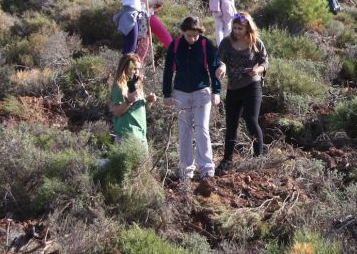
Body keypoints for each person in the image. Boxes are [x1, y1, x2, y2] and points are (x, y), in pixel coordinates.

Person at [163, 17, 220, 184]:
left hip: (202, 92)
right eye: (189, 35)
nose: (193, 39)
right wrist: (167, 93)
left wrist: (216, 91)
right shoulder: (175, 45)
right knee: (184, 131)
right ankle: (186, 170)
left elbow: (214, 67)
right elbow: (168, 70)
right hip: (181, 93)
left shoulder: (205, 44)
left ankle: (207, 169)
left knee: (202, 129)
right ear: (184, 32)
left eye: (195, 35)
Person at [214, 12, 269, 174]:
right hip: (233, 88)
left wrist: (257, 69)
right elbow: (218, 59)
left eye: (240, 28)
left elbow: (265, 61)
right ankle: (227, 160)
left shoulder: (255, 42)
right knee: (231, 124)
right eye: (235, 28)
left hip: (252, 86)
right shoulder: (226, 42)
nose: (237, 31)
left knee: (251, 120)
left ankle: (259, 158)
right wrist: (222, 66)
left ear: (247, 28)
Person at [110, 53, 156, 149]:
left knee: (144, 164)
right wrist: (128, 101)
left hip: (141, 135)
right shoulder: (120, 87)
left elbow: (140, 109)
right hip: (127, 135)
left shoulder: (137, 86)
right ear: (125, 68)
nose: (136, 72)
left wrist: (149, 101)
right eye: (134, 68)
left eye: (138, 69)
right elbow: (116, 111)